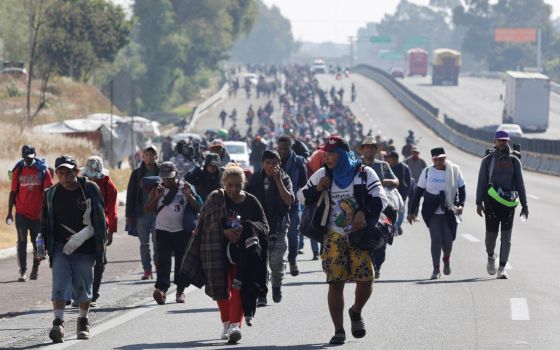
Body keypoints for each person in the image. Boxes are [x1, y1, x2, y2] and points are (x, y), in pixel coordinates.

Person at [298, 136, 387, 345]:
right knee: (335, 283)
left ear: (343, 155)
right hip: (333, 235)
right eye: (325, 153)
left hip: (358, 235)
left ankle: (356, 312)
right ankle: (339, 330)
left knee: (366, 280)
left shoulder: (364, 173)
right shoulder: (322, 174)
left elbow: (380, 198)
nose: (326, 157)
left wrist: (363, 213)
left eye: (330, 154)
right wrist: (317, 188)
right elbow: (300, 196)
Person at [179, 165, 269, 344]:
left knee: (238, 287)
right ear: (224, 184)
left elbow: (265, 227)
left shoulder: (251, 201)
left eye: (237, 185)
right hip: (216, 251)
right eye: (230, 185)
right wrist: (224, 232)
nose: (234, 189)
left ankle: (236, 325)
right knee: (221, 289)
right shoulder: (215, 198)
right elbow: (204, 224)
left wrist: (247, 228)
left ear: (243, 184)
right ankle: (226, 324)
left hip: (244, 254)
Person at [42, 155, 106, 343]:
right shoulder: (50, 194)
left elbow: (100, 219)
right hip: (60, 247)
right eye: (60, 172)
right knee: (59, 285)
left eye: (68, 172)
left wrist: (99, 248)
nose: (64, 176)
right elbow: (45, 222)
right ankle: (58, 323)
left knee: (83, 287)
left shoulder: (90, 189)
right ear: (56, 174)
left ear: (76, 172)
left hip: (85, 248)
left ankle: (83, 321)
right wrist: (42, 245)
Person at [145, 162, 202, 304]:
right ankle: (161, 290)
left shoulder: (186, 187)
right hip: (162, 230)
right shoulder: (157, 188)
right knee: (162, 260)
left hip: (182, 232)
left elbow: (198, 207)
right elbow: (147, 209)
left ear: (176, 174)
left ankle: (180, 291)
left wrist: (189, 195)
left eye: (170, 177)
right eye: (164, 178)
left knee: (181, 262)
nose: (167, 181)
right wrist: (156, 197)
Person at [475, 131, 528, 279]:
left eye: (505, 140)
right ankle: (491, 256)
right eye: (500, 140)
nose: (503, 143)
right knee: (490, 238)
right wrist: (479, 202)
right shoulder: (487, 160)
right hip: (491, 204)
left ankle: (502, 268)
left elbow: (520, 183)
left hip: (508, 204)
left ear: (509, 142)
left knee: (506, 238)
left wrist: (525, 204)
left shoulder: (514, 161)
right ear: (495, 141)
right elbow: (481, 182)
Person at [408, 147, 466, 280]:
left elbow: (462, 189)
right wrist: (411, 212)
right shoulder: (428, 172)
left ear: (445, 158)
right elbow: (418, 193)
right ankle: (436, 269)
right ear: (432, 160)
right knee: (436, 240)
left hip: (449, 211)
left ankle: (446, 259)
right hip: (432, 211)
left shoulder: (454, 170)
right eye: (436, 159)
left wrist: (461, 205)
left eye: (441, 159)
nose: (439, 161)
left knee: (448, 240)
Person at [246, 150, 294, 305]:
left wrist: (278, 180)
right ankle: (262, 294)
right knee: (260, 262)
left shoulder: (285, 178)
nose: (271, 166)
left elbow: (288, 201)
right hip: (258, 227)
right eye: (267, 163)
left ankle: (276, 287)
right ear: (262, 164)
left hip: (278, 226)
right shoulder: (254, 180)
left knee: (277, 262)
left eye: (274, 163)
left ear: (279, 164)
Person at [6, 145, 53, 282]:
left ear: (35, 155)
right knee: (21, 241)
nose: (28, 160)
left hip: (38, 215)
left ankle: (35, 268)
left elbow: (48, 193)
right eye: (26, 158)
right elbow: (13, 192)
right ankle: (23, 271)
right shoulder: (18, 170)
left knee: (38, 243)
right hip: (21, 213)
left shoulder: (42, 170)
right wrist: (9, 212)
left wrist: (48, 212)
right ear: (22, 157)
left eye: (30, 158)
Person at [357, 136, 399, 279]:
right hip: (361, 205)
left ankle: (377, 265)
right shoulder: (356, 165)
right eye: (366, 147)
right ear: (362, 149)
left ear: (375, 149)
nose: (369, 149)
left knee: (382, 235)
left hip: (381, 205)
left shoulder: (383, 165)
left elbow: (396, 181)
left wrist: (383, 182)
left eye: (372, 147)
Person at [80, 156, 118, 307]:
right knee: (81, 260)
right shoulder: (80, 184)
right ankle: (81, 293)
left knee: (100, 261)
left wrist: (111, 231)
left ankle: (93, 295)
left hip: (101, 227)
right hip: (82, 227)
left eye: (95, 176)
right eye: (90, 176)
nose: (92, 179)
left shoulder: (109, 186)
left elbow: (112, 210)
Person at [277, 136, 310, 277]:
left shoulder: (298, 162)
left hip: (294, 205)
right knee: (277, 236)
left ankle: (292, 260)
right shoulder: (273, 161)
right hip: (276, 205)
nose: (282, 151)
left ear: (291, 148)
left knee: (293, 234)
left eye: (285, 148)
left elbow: (304, 183)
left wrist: (303, 198)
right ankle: (279, 264)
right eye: (280, 148)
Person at [126, 145, 160, 280]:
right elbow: (131, 194)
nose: (149, 157)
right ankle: (147, 270)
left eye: (152, 155)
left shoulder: (162, 171)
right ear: (142, 157)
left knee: (158, 243)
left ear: (156, 157)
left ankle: (159, 268)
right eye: (146, 155)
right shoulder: (136, 173)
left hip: (158, 213)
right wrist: (128, 215)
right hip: (142, 214)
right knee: (144, 244)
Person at [385, 151, 412, 236]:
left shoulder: (404, 168)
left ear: (395, 159)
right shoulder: (387, 167)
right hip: (390, 195)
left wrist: (404, 195)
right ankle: (393, 226)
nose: (388, 159)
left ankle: (395, 228)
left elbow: (409, 183)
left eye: (390, 158)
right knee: (389, 211)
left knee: (401, 212)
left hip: (401, 194)